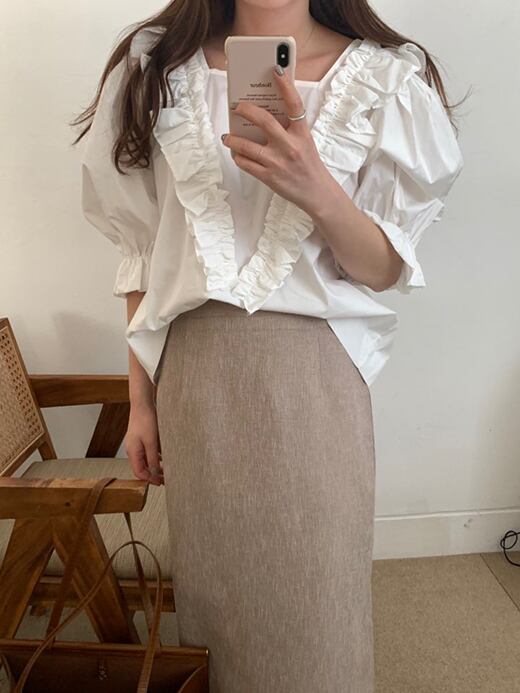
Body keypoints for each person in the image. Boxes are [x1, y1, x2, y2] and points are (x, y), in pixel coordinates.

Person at [73, 1, 465, 690]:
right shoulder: (156, 68)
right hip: (196, 377)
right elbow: (140, 255)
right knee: (216, 599)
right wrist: (140, 401)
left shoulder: (384, 81)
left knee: (320, 597)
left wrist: (319, 190)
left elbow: (383, 269)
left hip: (316, 380)